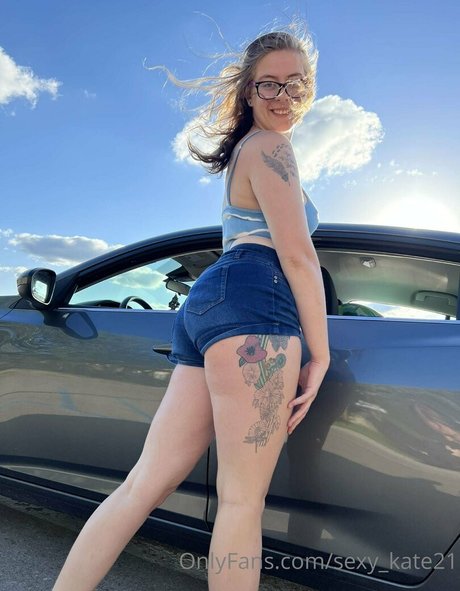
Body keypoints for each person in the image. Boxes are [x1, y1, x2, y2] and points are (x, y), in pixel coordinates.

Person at [52, 25, 330, 591]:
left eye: (296, 83)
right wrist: (320, 354)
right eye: (269, 84)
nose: (283, 95)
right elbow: (298, 258)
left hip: (212, 301)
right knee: (241, 502)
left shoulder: (247, 152)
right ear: (249, 91)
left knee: (142, 485)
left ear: (310, 87)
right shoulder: (271, 147)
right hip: (256, 299)